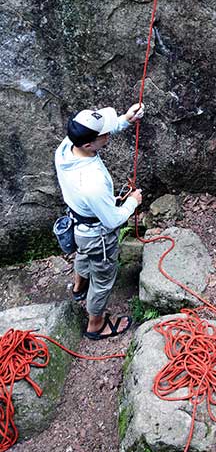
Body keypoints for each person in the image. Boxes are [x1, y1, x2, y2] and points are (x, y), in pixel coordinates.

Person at [54, 103, 145, 340]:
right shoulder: (92, 182)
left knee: (83, 255)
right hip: (97, 235)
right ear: (88, 144)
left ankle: (78, 288)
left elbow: (99, 130)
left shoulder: (66, 147)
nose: (108, 133)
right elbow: (113, 219)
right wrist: (133, 201)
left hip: (78, 225)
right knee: (103, 276)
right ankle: (95, 323)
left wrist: (125, 118)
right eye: (103, 132)